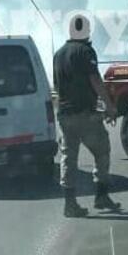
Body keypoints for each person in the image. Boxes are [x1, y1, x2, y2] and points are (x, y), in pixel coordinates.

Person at [53, 14, 121, 217]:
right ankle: (101, 196)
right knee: (102, 151)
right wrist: (109, 106)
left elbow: (58, 86)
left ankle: (70, 203)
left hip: (65, 114)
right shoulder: (85, 51)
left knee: (68, 157)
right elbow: (95, 80)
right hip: (85, 114)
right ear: (87, 31)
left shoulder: (58, 54)